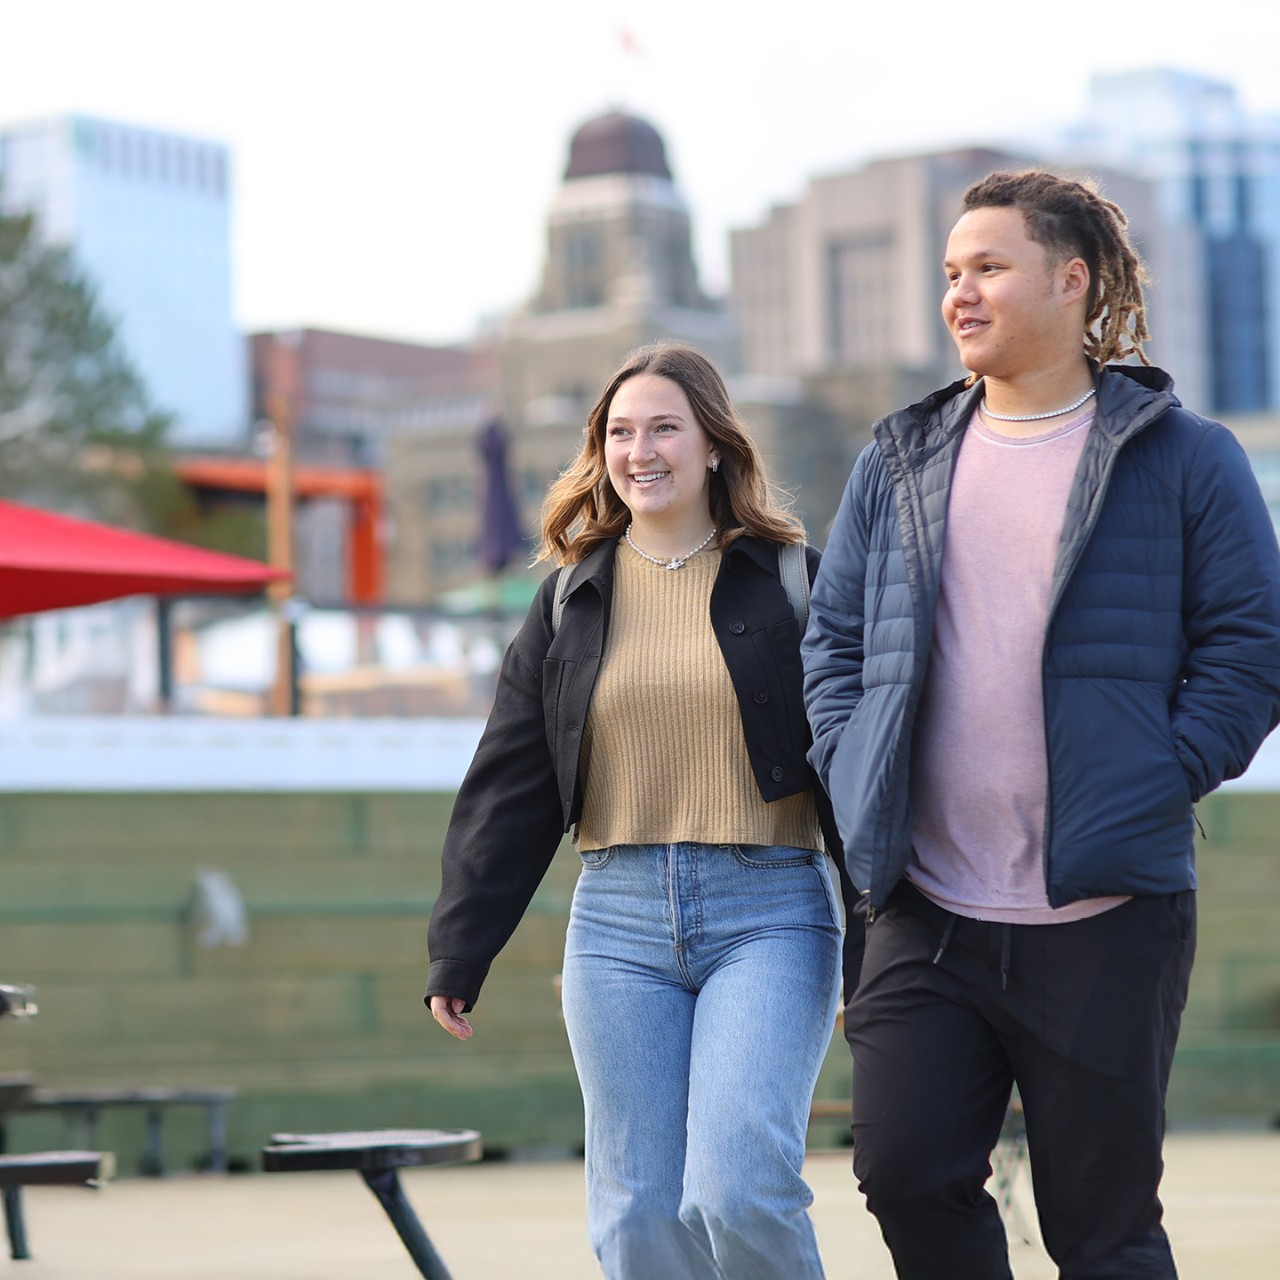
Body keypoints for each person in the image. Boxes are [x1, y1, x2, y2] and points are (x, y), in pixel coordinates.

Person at [801, 169, 1280, 1279]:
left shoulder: (1181, 454)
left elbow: (1249, 646)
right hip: (921, 903)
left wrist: (1159, 771)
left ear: (1070, 281)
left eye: (987, 268)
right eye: (949, 273)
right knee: (906, 1171)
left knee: (1100, 1226)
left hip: (1106, 911)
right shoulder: (898, 459)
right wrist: (850, 754)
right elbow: (830, 644)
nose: (958, 294)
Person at [426, 341, 852, 1279]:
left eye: (664, 426)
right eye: (620, 431)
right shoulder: (570, 597)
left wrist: (882, 933)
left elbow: (858, 769)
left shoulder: (795, 581)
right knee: (635, 1215)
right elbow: (511, 781)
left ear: (714, 445)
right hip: (615, 921)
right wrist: (462, 946)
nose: (640, 449)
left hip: (771, 909)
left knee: (737, 1185)